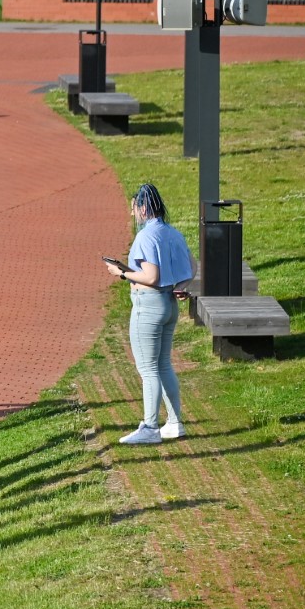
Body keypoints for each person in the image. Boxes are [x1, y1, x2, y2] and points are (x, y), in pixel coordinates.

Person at [107, 182, 194, 445]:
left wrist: (122, 273)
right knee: (163, 364)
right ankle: (175, 423)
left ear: (144, 208)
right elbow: (192, 266)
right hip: (169, 304)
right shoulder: (173, 233)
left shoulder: (145, 236)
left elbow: (151, 276)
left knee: (147, 368)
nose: (132, 213)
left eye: (134, 208)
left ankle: (150, 427)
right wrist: (181, 286)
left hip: (148, 306)